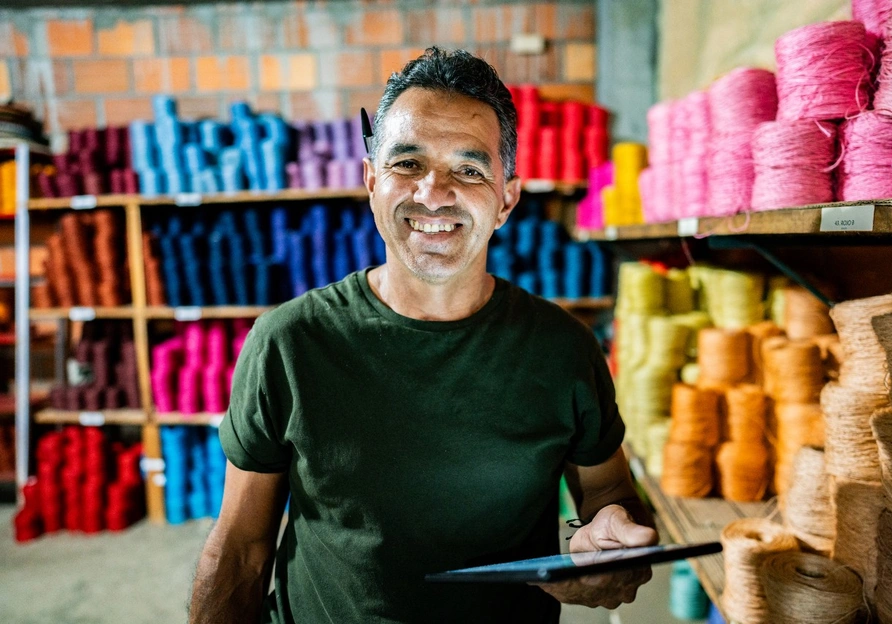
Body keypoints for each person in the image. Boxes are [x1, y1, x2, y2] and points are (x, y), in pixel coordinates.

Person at [188, 47, 657, 624]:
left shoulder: (563, 349)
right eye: (407, 163)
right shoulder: (288, 343)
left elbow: (608, 492)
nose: (432, 193)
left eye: (469, 170)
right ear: (371, 181)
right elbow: (240, 549)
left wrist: (611, 535)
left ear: (506, 200)